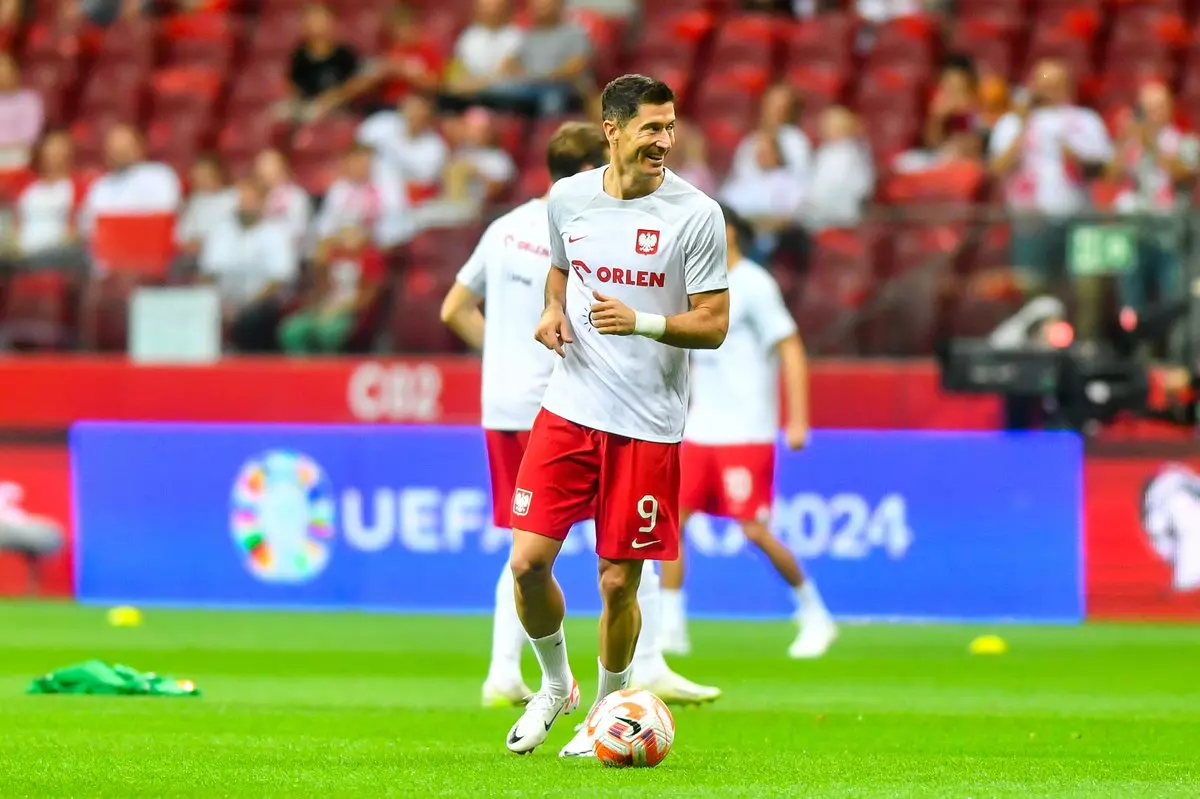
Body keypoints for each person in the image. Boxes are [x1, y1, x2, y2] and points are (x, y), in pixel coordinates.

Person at [440, 120, 721, 711]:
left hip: (519, 401)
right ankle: (602, 672)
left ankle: (543, 676)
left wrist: (503, 353)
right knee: (557, 553)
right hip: (564, 400)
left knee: (569, 557)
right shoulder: (579, 218)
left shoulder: (503, 227)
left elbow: (455, 307)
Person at [501, 74, 730, 757]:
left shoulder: (696, 214)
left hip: (647, 423)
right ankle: (553, 684)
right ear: (613, 130)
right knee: (526, 563)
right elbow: (562, 271)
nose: (665, 140)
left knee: (616, 579)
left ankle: (606, 707)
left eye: (670, 127)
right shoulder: (568, 198)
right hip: (569, 407)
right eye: (651, 128)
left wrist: (644, 323)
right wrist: (550, 309)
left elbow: (713, 323)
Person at [659, 204, 837, 660]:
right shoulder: (693, 285)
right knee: (672, 525)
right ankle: (671, 628)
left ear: (731, 235)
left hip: (746, 430)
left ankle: (814, 612)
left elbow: (791, 349)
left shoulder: (755, 286)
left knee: (754, 531)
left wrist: (797, 418)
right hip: (700, 430)